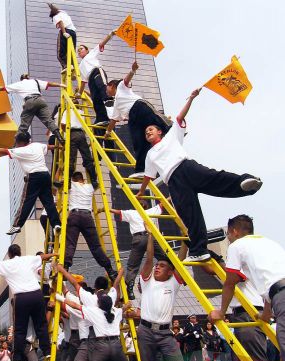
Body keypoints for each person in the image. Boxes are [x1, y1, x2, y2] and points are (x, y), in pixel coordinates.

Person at [136, 90, 262, 262]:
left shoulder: (172, 136)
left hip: (186, 167)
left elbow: (180, 117)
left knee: (214, 178)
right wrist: (141, 192)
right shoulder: (150, 155)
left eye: (150, 129)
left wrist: (191, 99)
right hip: (174, 182)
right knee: (190, 214)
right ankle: (199, 250)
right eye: (145, 132)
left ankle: (244, 183)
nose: (147, 132)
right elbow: (148, 177)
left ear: (160, 132)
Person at [208, 215, 285, 361]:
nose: (228, 238)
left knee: (255, 358)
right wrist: (266, 313)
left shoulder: (237, 246)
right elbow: (270, 285)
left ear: (234, 231)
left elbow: (230, 281)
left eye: (228, 234)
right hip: (273, 298)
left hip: (255, 307)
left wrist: (220, 311)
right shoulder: (270, 244)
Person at [125, 230, 197, 361]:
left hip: (165, 332)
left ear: (171, 272)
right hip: (146, 330)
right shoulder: (147, 281)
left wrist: (184, 239)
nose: (157, 267)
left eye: (162, 266)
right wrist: (150, 236)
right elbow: (149, 258)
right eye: (157, 266)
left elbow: (179, 260)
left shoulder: (174, 282)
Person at [55, 265, 145, 361]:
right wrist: (120, 274)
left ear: (95, 289)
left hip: (94, 342)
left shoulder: (91, 307)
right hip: (115, 343)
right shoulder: (114, 309)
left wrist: (61, 276)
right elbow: (115, 288)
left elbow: (73, 295)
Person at [0, 132, 62, 235]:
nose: (16, 144)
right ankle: (56, 224)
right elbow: (49, 147)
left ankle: (17, 225)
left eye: (16, 142)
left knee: (26, 202)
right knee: (48, 202)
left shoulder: (21, 150)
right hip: (45, 175)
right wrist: (59, 147)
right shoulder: (37, 145)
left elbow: (5, 151)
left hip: (33, 177)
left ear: (21, 142)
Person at [106, 61, 172, 177]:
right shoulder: (116, 104)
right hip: (132, 117)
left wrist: (132, 70)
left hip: (139, 106)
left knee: (155, 121)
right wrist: (107, 132)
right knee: (139, 141)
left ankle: (172, 129)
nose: (106, 91)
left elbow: (126, 80)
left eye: (107, 88)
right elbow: (113, 121)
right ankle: (141, 170)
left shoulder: (121, 87)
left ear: (112, 85)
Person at [64, 171, 118, 283]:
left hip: (74, 215)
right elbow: (96, 181)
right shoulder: (89, 187)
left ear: (73, 180)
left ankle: (66, 268)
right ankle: (109, 270)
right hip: (87, 216)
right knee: (95, 246)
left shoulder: (71, 185)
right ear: (83, 180)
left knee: (70, 244)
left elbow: (58, 183)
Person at [0, 74, 65, 145]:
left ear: (21, 79)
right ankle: (60, 138)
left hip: (29, 101)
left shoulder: (19, 84)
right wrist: (61, 85)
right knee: (49, 121)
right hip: (41, 101)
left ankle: (16, 144)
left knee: (24, 125)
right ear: (28, 78)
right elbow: (49, 84)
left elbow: (3, 88)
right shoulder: (35, 81)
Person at [110, 199, 165, 299]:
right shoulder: (151, 211)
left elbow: (117, 211)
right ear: (146, 206)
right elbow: (162, 203)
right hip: (150, 237)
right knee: (164, 257)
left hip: (138, 238)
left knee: (133, 265)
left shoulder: (132, 213)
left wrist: (106, 209)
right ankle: (178, 273)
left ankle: (130, 289)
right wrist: (171, 197)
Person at [75, 30, 117, 135]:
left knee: (102, 88)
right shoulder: (80, 66)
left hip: (97, 71)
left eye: (81, 49)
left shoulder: (91, 54)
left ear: (87, 50)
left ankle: (110, 107)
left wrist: (110, 34)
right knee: (96, 99)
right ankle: (102, 118)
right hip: (90, 79)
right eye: (78, 51)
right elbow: (83, 82)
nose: (79, 51)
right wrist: (79, 93)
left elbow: (102, 43)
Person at [58, 104, 98, 189]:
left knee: (71, 158)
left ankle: (68, 181)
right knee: (87, 156)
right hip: (81, 134)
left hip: (72, 133)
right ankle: (94, 180)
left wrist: (66, 133)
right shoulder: (82, 112)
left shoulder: (67, 111)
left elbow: (63, 124)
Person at [47, 3, 77, 69]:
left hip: (66, 31)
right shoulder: (64, 13)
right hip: (73, 32)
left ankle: (66, 66)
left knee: (60, 54)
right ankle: (72, 66)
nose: (56, 27)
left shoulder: (55, 16)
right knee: (71, 51)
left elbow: (60, 22)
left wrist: (63, 32)